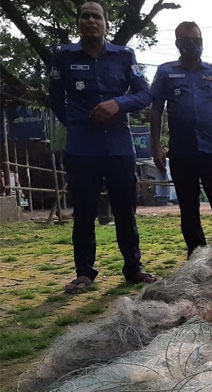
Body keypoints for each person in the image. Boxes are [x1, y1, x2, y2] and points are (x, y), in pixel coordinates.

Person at [49, 1, 156, 293]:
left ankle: (133, 268)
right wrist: (76, 123)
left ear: (106, 23)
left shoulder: (124, 56)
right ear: (78, 23)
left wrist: (116, 104)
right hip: (82, 147)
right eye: (85, 16)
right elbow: (56, 99)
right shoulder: (64, 57)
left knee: (125, 210)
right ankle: (84, 273)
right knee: (83, 212)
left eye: (96, 16)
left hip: (119, 146)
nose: (90, 21)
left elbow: (145, 95)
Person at [149, 21, 212, 257]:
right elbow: (157, 109)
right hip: (181, 153)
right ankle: (197, 257)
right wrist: (156, 145)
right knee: (189, 210)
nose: (193, 45)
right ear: (178, 43)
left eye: (197, 40)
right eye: (187, 41)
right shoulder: (165, 72)